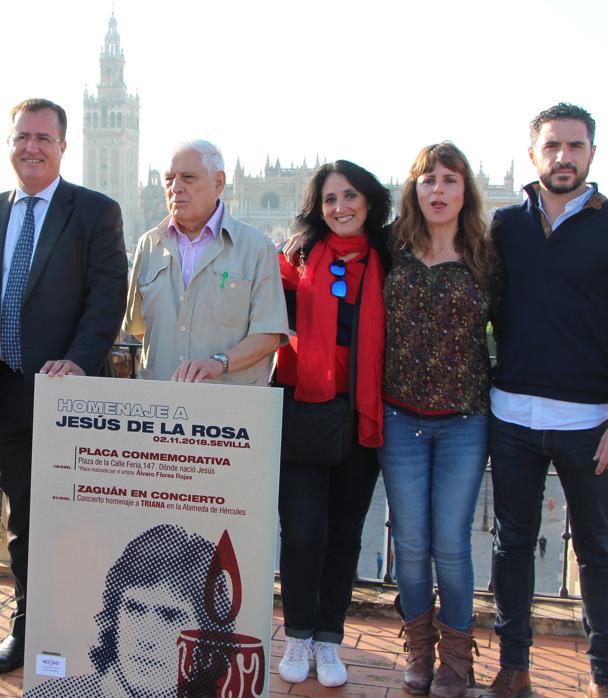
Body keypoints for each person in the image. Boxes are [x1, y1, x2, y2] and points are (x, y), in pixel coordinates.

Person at [482, 104, 608, 698]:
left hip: (591, 424)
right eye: (552, 145)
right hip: (510, 418)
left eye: (575, 146)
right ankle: (515, 667)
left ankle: (605, 676)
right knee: (512, 546)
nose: (564, 156)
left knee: (599, 552)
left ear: (592, 154)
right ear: (533, 154)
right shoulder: (504, 226)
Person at [0, 98, 129, 674]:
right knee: (24, 519)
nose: (31, 146)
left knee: (79, 520)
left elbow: (108, 298)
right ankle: (27, 628)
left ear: (62, 147)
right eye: (22, 136)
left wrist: (78, 362)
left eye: (43, 138)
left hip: (71, 398)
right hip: (3, 396)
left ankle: (83, 632)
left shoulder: (95, 211)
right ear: (10, 143)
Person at [380, 142, 496, 698]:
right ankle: (419, 652)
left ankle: (456, 661)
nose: (438, 190)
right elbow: (331, 239)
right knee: (409, 539)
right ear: (414, 190)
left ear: (464, 190)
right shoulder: (392, 249)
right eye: (428, 180)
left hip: (464, 420)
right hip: (400, 416)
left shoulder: (486, 258)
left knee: (450, 542)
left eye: (449, 180)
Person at [272, 160, 390, 688]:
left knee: (344, 534)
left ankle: (328, 638)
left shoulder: (391, 259)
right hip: (302, 411)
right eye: (329, 200)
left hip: (362, 414)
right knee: (300, 533)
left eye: (349, 197)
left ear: (368, 201)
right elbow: (259, 314)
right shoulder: (296, 257)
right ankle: (297, 633)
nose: (340, 208)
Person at [123, 140, 288, 385]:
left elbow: (268, 335)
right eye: (169, 179)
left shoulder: (256, 248)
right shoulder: (148, 245)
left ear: (219, 183)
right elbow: (139, 327)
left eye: (188, 178)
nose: (175, 187)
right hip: (160, 405)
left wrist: (218, 363)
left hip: (229, 410)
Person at [26, 525, 232, 698]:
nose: (146, 638)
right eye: (134, 609)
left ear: (207, 634)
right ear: (114, 619)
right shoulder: (53, 694)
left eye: (170, 616)